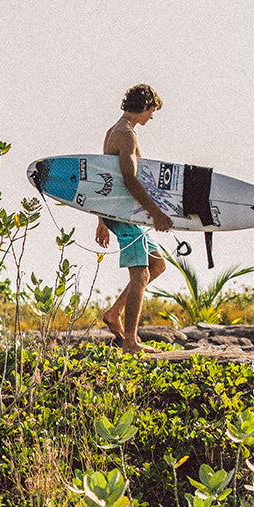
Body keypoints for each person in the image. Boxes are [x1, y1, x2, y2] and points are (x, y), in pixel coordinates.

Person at [95, 84, 173, 355]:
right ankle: (130, 342)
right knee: (141, 274)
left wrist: (101, 220)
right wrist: (156, 213)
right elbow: (129, 179)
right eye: (152, 111)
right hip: (125, 214)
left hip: (122, 213)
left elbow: (103, 180)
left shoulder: (113, 131)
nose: (151, 117)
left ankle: (114, 313)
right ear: (145, 106)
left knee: (157, 264)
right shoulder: (125, 135)